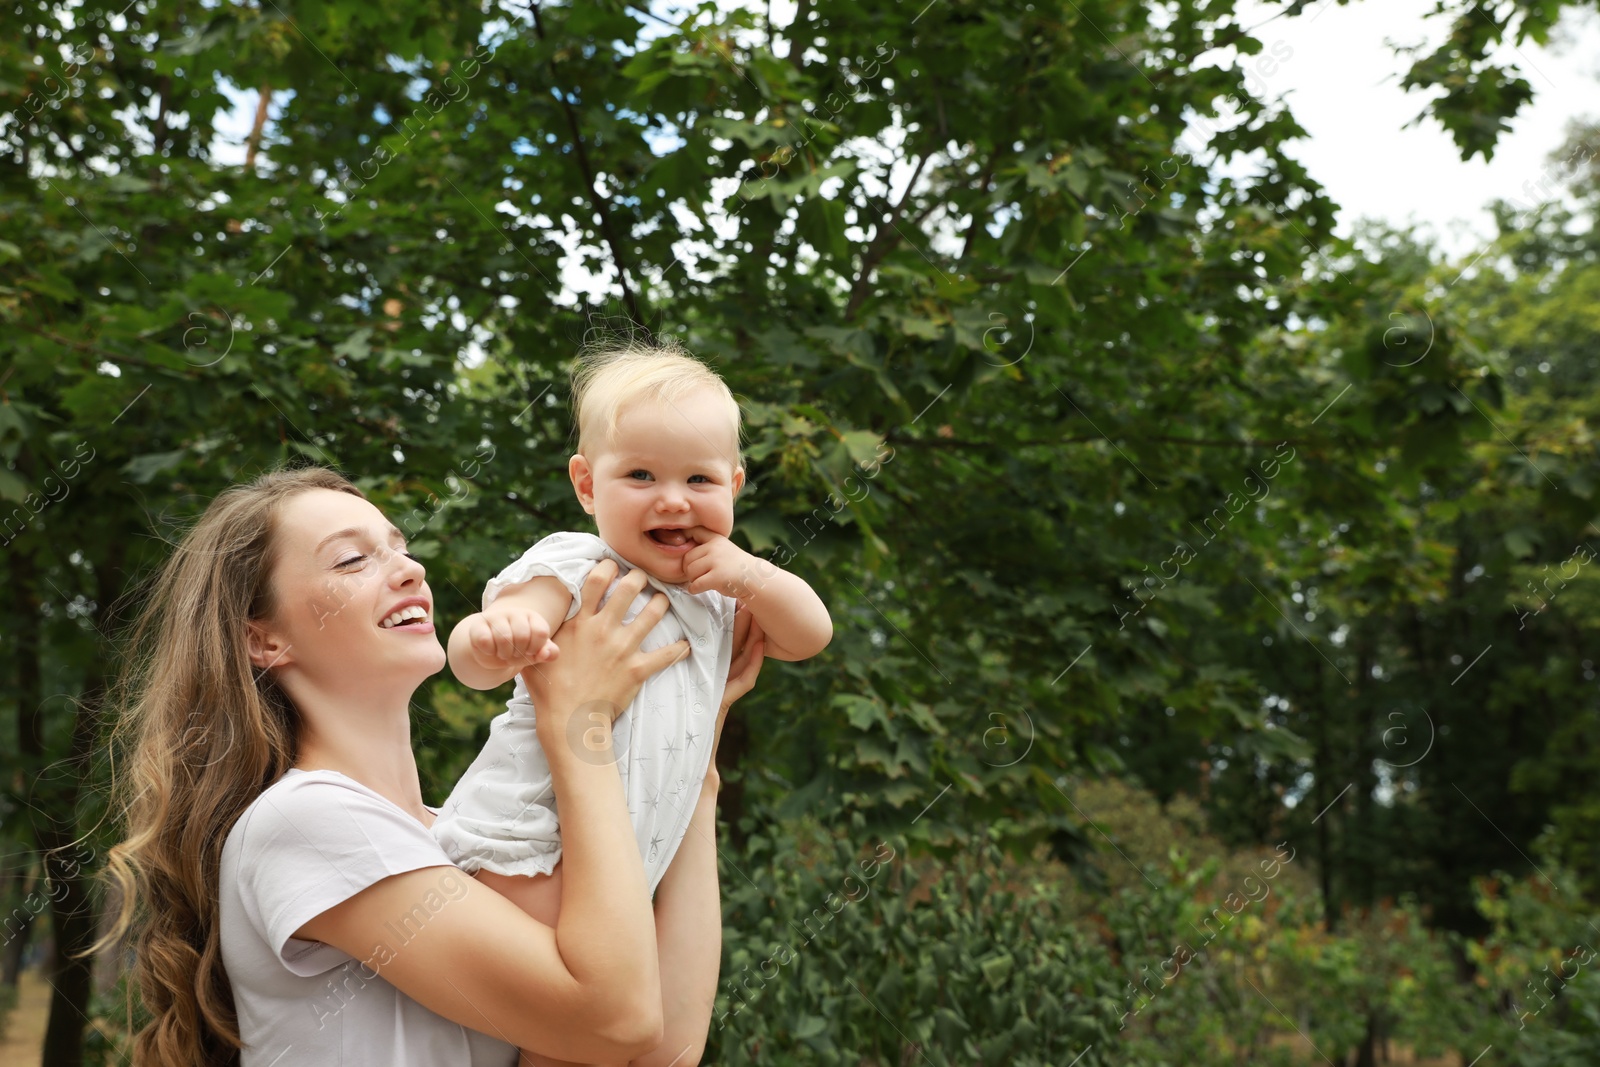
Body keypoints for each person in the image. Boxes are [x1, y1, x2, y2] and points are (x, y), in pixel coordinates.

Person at [93, 466, 767, 1066]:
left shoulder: (455, 841)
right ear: (263, 638)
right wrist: (581, 725)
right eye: (353, 559)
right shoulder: (306, 819)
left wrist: (695, 760)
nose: (409, 568)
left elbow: (665, 1047)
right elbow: (615, 1019)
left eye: (399, 546)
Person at [432, 343, 830, 983]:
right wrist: (496, 635)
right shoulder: (579, 563)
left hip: (626, 864)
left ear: (733, 486)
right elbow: (473, 660)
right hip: (533, 842)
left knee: (596, 1036)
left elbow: (808, 636)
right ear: (587, 485)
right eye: (641, 476)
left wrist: (755, 576)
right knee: (579, 1025)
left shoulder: (723, 594)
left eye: (698, 480)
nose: (673, 501)